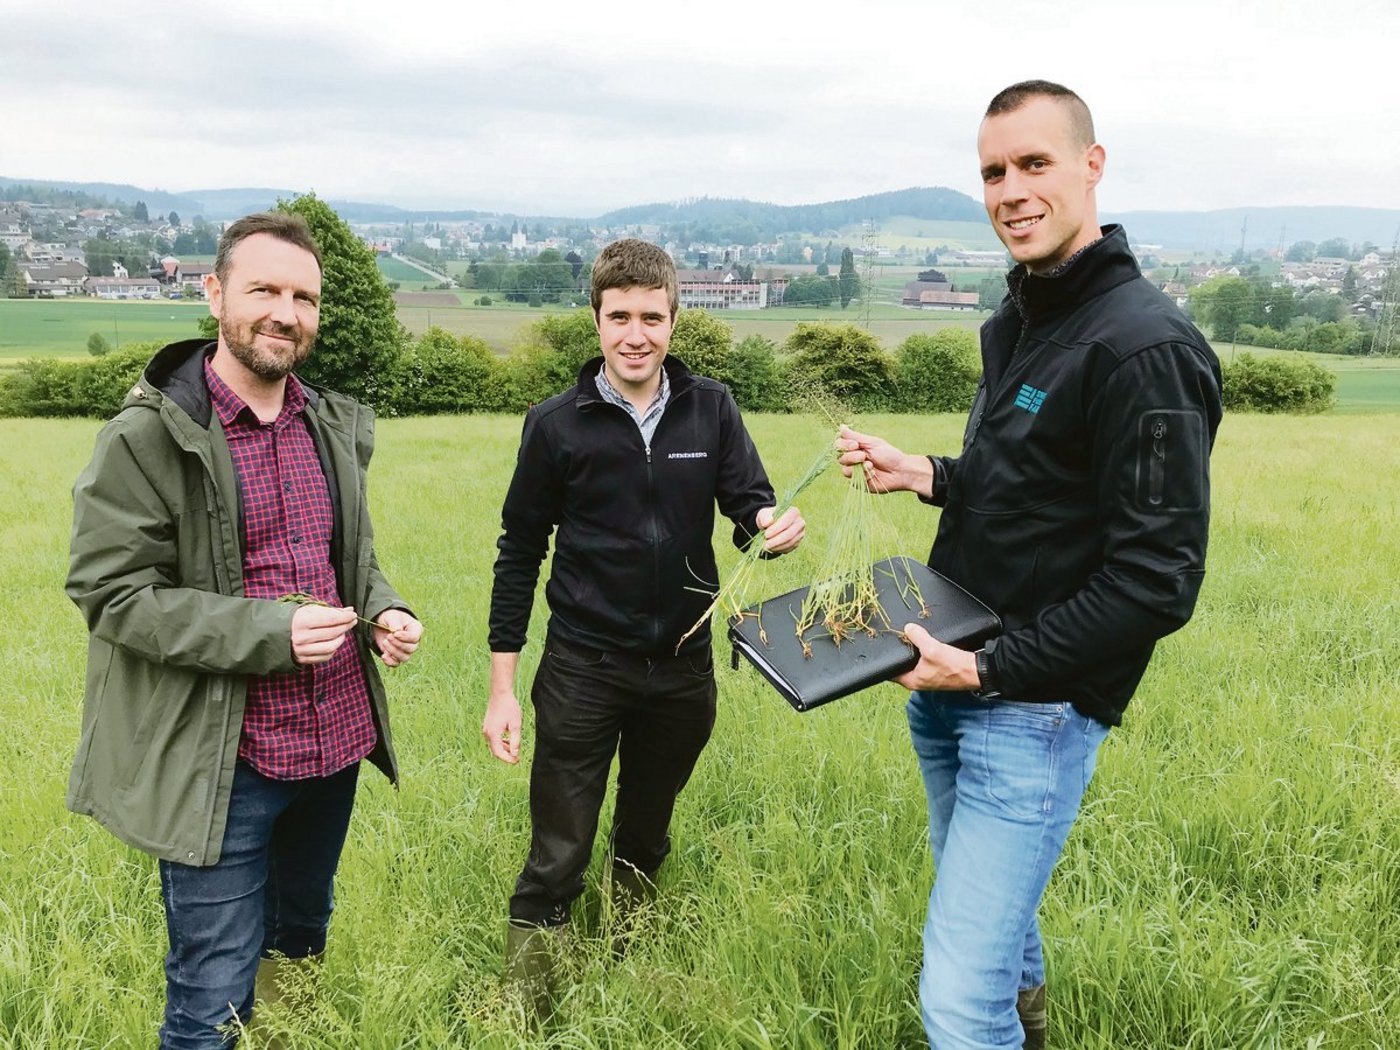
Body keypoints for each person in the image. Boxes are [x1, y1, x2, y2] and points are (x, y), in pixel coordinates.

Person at [839, 80, 1222, 1050]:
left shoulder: (1142, 348)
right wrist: (926, 474)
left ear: (1091, 166)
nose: (1009, 190)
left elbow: (1156, 581)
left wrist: (987, 669)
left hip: (1030, 708)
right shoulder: (1027, 320)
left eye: (1033, 163)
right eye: (992, 172)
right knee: (996, 943)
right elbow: (1031, 483)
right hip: (950, 679)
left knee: (957, 1004)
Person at [66, 211, 423, 1049]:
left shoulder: (327, 422)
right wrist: (273, 632)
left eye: (304, 298)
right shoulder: (148, 436)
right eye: (264, 290)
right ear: (215, 292)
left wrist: (383, 608)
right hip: (222, 761)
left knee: (299, 943)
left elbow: (348, 557)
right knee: (211, 996)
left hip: (332, 744)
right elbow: (111, 594)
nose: (284, 314)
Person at [483, 238, 804, 1006]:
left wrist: (768, 526)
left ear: (673, 320)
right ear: (596, 320)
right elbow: (519, 552)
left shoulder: (711, 408)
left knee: (646, 833)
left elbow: (747, 507)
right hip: (583, 669)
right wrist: (502, 689)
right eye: (620, 316)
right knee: (559, 851)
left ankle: (628, 972)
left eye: (651, 318)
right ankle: (530, 1007)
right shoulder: (556, 425)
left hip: (683, 670)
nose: (636, 334)